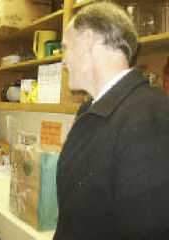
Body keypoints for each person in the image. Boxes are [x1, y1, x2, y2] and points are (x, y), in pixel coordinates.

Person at [55, 2, 169, 240]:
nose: (63, 61)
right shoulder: (92, 109)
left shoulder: (149, 117)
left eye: (66, 47)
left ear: (88, 40)